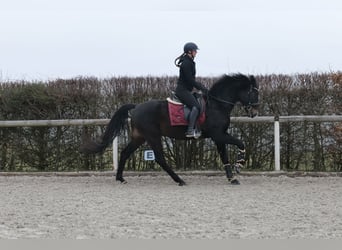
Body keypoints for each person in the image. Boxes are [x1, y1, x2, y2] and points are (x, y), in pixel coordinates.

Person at [174, 42, 209, 138]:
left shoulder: (189, 62)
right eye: (195, 51)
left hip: (187, 90)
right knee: (196, 106)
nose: (196, 52)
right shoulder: (186, 63)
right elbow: (190, 80)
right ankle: (190, 130)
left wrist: (200, 87)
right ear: (189, 51)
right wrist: (201, 87)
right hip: (182, 90)